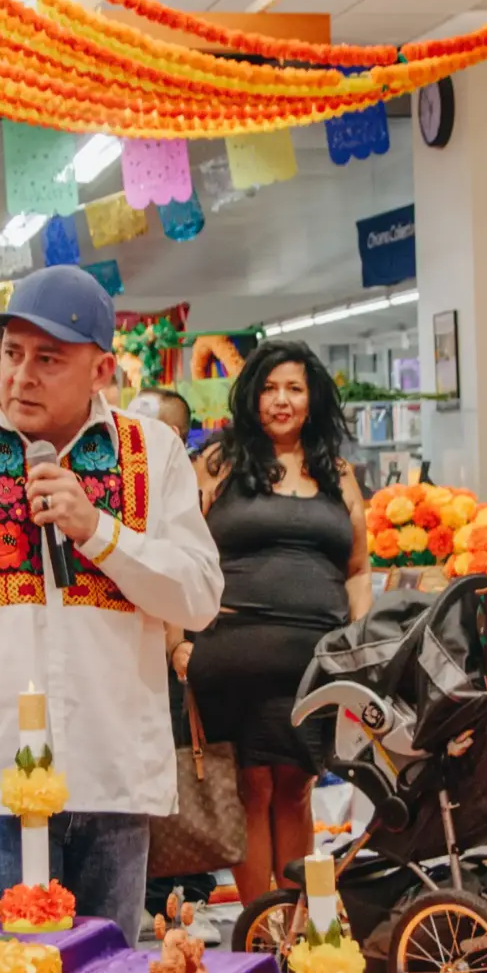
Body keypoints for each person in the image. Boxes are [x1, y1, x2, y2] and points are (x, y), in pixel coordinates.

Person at [0, 265, 223, 940]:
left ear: (100, 371)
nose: (21, 376)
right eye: (12, 353)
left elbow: (201, 596)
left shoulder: (153, 453)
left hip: (114, 774)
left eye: (49, 359)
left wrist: (100, 532)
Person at [170, 341, 368, 908]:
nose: (280, 400)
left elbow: (356, 570)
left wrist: (360, 643)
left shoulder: (337, 473)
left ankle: (300, 924)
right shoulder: (216, 463)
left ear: (313, 399)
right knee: (248, 787)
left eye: (294, 388)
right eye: (269, 388)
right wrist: (176, 643)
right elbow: (176, 557)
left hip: (317, 661)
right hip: (231, 654)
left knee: (298, 786)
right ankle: (262, 928)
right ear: (251, 395)